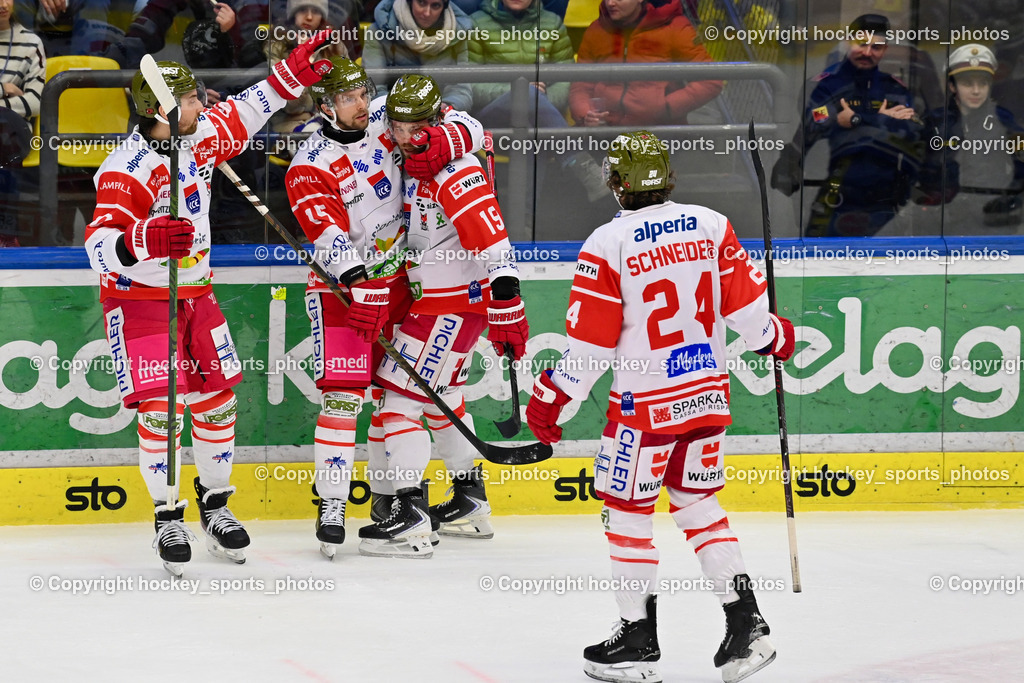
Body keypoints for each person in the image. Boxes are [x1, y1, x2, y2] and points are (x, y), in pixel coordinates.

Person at [525, 131, 793, 683]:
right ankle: (748, 628)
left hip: (643, 411)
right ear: (668, 177)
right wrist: (775, 336)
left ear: (616, 183)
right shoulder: (712, 224)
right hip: (706, 397)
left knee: (626, 518)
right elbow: (749, 317)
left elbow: (591, 348)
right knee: (698, 508)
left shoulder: (607, 241)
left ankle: (638, 642)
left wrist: (552, 400)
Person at [83, 31, 333, 575]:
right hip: (142, 301)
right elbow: (98, 248)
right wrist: (143, 240)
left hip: (197, 295)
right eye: (193, 99)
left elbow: (249, 108)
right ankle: (167, 513)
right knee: (162, 412)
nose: (206, 103)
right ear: (164, 114)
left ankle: (214, 505)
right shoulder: (125, 170)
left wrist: (293, 75)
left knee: (217, 402)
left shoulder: (199, 137)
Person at [283, 59, 485, 558]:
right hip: (343, 294)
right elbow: (328, 239)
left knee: (409, 396)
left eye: (362, 93)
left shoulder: (383, 118)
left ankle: (403, 500)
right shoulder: (309, 164)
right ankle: (332, 503)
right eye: (347, 98)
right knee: (344, 401)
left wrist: (448, 141)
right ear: (324, 106)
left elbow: (472, 127)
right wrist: (360, 286)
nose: (360, 104)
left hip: (404, 286)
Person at [359, 74, 528, 558]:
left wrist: (507, 301)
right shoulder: (409, 138)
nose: (407, 135)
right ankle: (470, 500)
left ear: (438, 120)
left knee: (396, 398)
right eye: (399, 124)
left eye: (418, 126)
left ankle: (410, 513)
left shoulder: (456, 170)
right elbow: (354, 118)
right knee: (442, 399)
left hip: (450, 304)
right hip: (435, 299)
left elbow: (493, 238)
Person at [771, 13, 926, 237]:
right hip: (830, 194)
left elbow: (913, 127)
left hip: (883, 200)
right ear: (848, 42)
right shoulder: (823, 85)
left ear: (885, 50)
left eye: (877, 47)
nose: (867, 52)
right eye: (861, 44)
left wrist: (856, 119)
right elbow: (815, 120)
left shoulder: (895, 88)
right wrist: (881, 119)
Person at [468, 0, 607, 202]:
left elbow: (566, 79)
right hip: (491, 124)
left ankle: (523, 222)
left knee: (532, 131)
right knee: (526, 94)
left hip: (539, 120)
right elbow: (469, 84)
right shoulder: (476, 23)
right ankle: (580, 163)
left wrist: (540, 99)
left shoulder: (551, 23)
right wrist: (520, 91)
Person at [917, 44, 1024, 233]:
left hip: (992, 221)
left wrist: (1009, 201)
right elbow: (916, 171)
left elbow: (1021, 170)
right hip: (940, 223)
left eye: (982, 83)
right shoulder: (934, 123)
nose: (976, 91)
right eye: (967, 83)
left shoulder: (1003, 121)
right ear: (952, 86)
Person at [569, 0, 722, 128]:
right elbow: (581, 83)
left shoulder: (675, 27)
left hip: (660, 133)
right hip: (605, 132)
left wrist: (666, 108)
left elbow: (710, 80)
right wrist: (585, 113)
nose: (610, 3)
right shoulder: (596, 30)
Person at [363, 0, 473, 112]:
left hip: (438, 116)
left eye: (435, 6)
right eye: (422, 3)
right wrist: (405, 112)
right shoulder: (378, 32)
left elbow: (461, 88)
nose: (427, 13)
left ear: (444, 7)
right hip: (392, 116)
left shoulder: (457, 33)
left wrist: (446, 106)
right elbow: (374, 87)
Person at [1, 0, 45, 246]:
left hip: (14, 131)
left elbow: (38, 101)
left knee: (3, 130)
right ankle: (7, 234)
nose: (2, 4)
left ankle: (6, 234)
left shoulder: (31, 43)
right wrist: (4, 88)